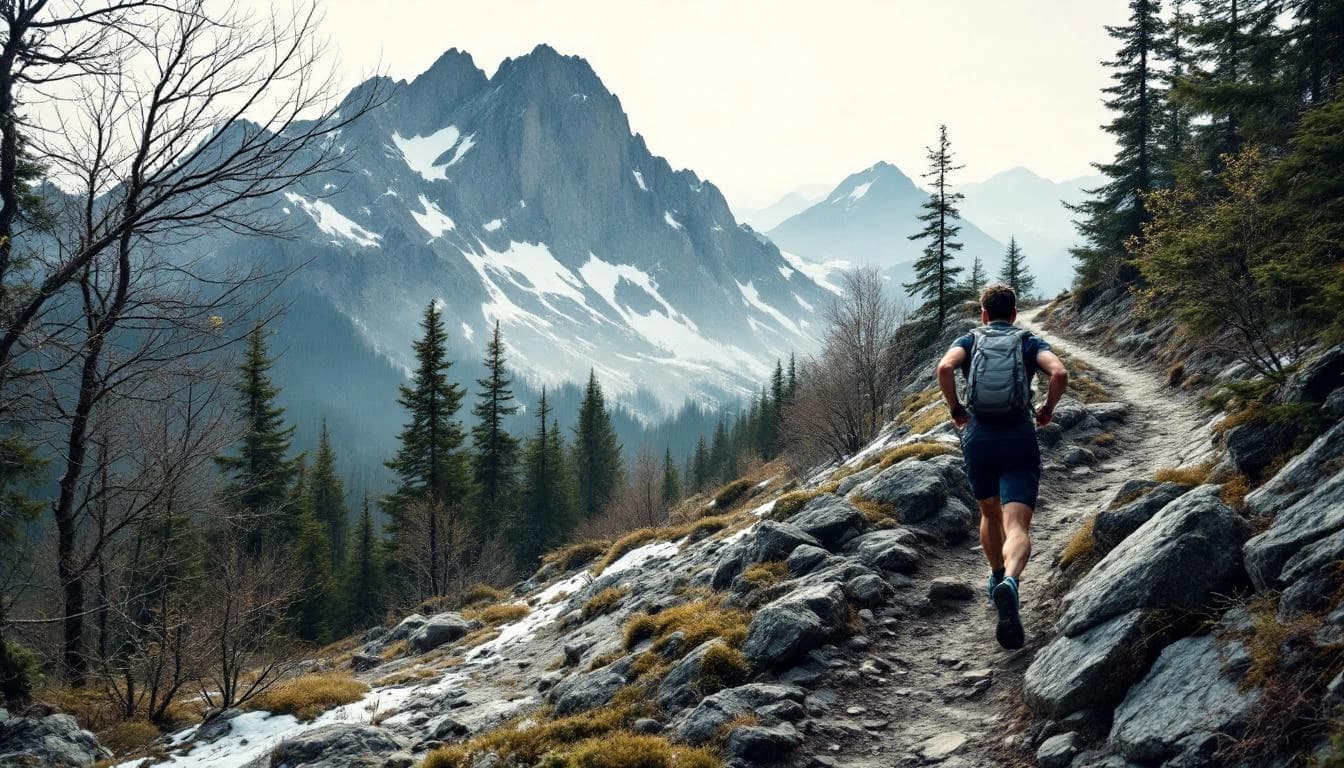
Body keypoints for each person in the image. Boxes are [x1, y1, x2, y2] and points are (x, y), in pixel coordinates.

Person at [934, 283, 1069, 649]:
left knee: (990, 514)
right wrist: (1047, 410)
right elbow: (1058, 374)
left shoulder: (970, 339)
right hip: (1019, 437)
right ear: (1013, 314)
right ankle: (1011, 579)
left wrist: (956, 410)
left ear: (983, 313)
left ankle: (995, 578)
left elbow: (944, 369)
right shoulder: (1028, 342)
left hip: (979, 438)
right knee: (1016, 523)